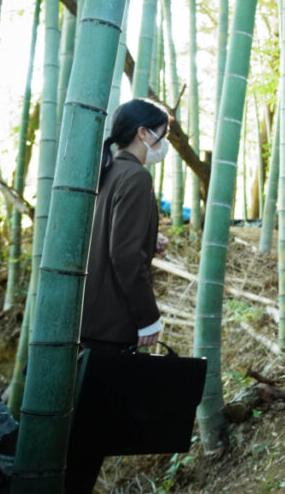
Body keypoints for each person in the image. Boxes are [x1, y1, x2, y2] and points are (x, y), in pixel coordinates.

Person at [66, 98, 170, 493]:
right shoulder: (137, 177)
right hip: (111, 325)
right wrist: (148, 318)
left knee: (79, 436)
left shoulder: (108, 172)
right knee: (89, 445)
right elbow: (124, 256)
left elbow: (111, 237)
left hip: (86, 317)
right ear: (145, 133)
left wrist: (149, 237)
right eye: (164, 134)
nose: (165, 144)